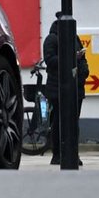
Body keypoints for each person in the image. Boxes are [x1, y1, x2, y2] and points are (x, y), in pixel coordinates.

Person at [42, 12, 88, 166]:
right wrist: (71, 58)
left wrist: (84, 71)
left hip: (76, 88)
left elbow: (83, 59)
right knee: (58, 122)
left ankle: (73, 154)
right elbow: (50, 60)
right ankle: (57, 155)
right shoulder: (51, 39)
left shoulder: (75, 38)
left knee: (74, 123)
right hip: (58, 88)